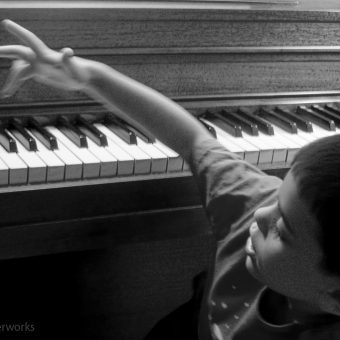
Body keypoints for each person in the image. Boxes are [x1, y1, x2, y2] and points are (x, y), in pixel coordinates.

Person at [1, 19, 340, 340]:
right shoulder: (259, 204)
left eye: (282, 231)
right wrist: (90, 75)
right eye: (278, 193)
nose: (261, 217)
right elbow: (193, 139)